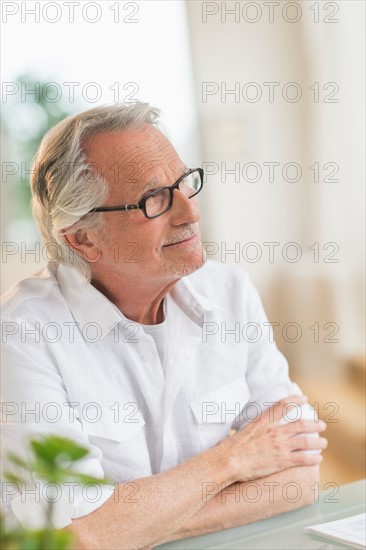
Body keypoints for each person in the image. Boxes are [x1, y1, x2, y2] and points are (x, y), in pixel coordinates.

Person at [1, 103, 327, 549]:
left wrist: (126, 524)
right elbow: (68, 539)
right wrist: (234, 460)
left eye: (184, 182)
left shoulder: (230, 291)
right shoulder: (21, 335)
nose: (189, 212)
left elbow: (301, 475)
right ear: (83, 238)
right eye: (154, 198)